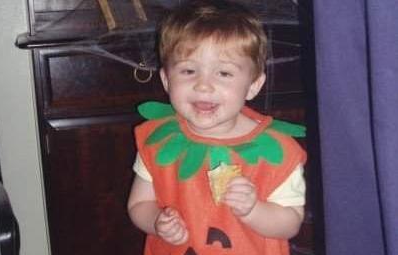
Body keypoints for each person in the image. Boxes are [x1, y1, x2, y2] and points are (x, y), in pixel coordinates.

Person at [127, 1, 307, 254]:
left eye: (223, 73)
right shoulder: (159, 140)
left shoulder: (279, 153)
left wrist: (254, 210)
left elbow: (290, 223)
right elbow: (139, 204)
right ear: (167, 80)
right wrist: (156, 222)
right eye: (189, 70)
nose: (204, 86)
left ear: (254, 85)